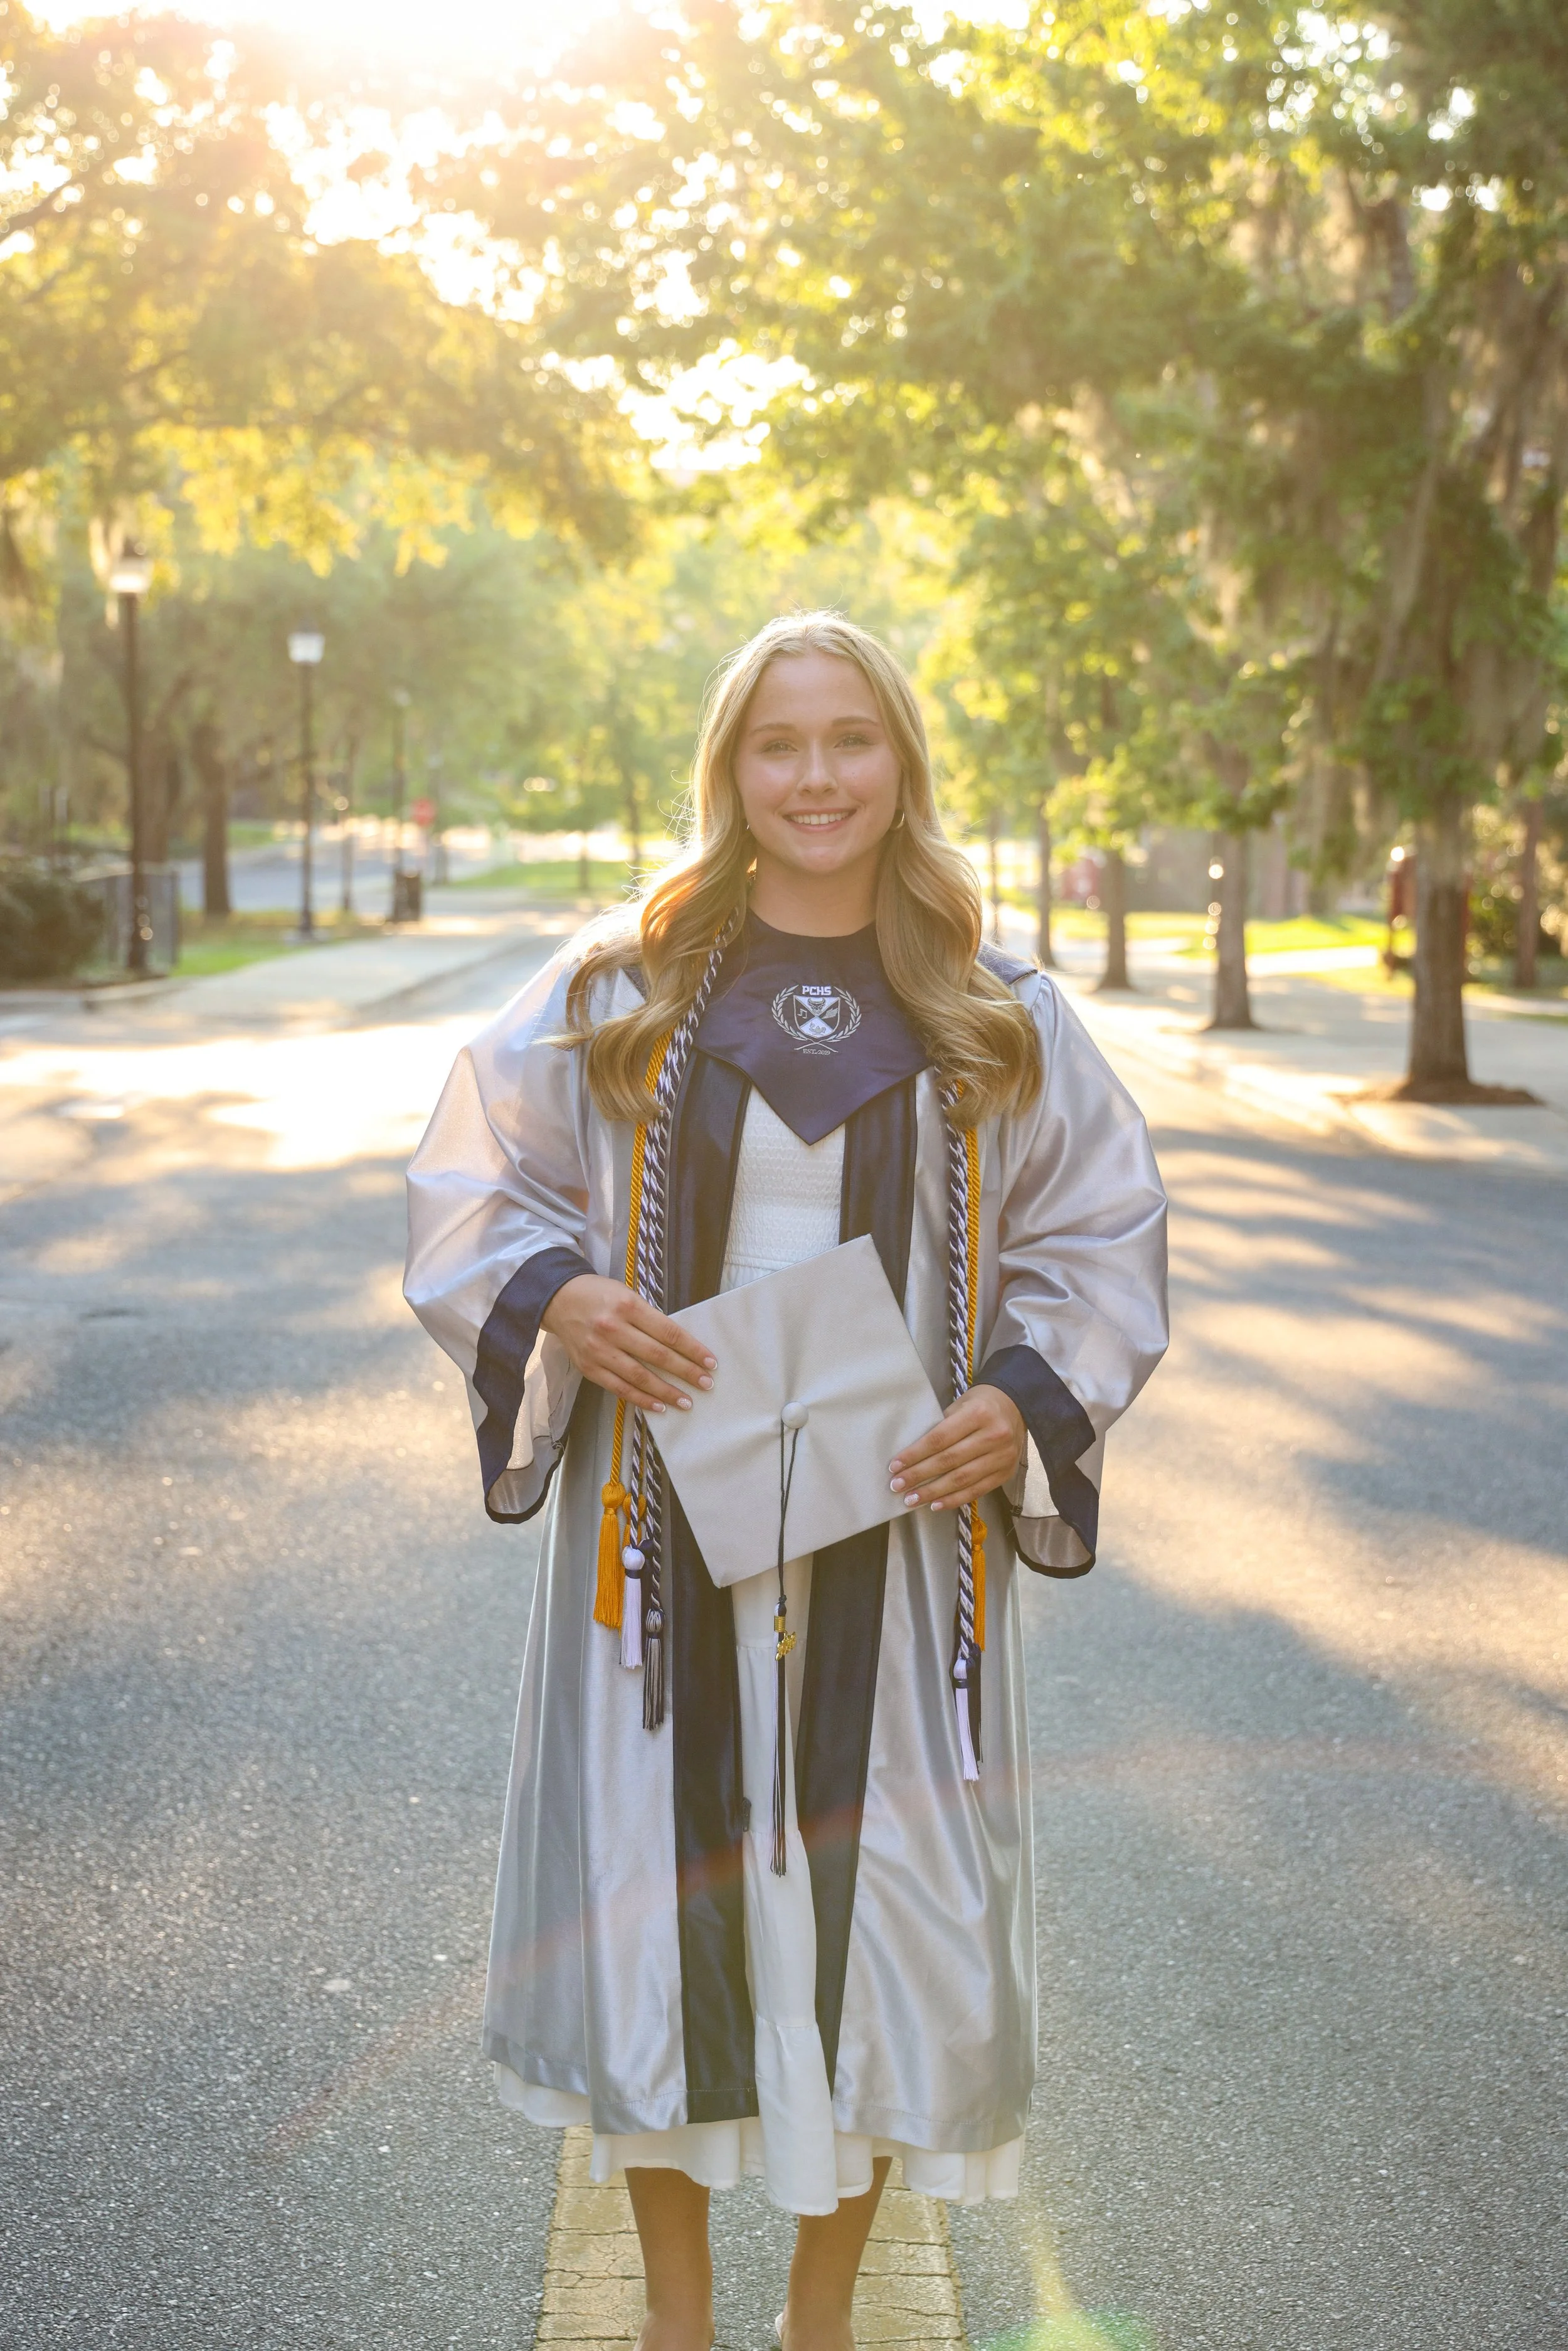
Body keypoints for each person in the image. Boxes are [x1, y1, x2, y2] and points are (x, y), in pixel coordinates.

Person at [404, 613, 1168, 2351]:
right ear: (731, 770)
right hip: (659, 1542)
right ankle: (678, 2312)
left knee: (888, 1904)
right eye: (778, 743)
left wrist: (1018, 1395)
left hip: (895, 1541)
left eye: (849, 740)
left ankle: (821, 2312)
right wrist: (568, 1297)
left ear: (900, 764)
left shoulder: (993, 1011)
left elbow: (1095, 1235)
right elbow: (475, 1181)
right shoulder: (626, 989)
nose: (815, 776)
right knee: (654, 1910)